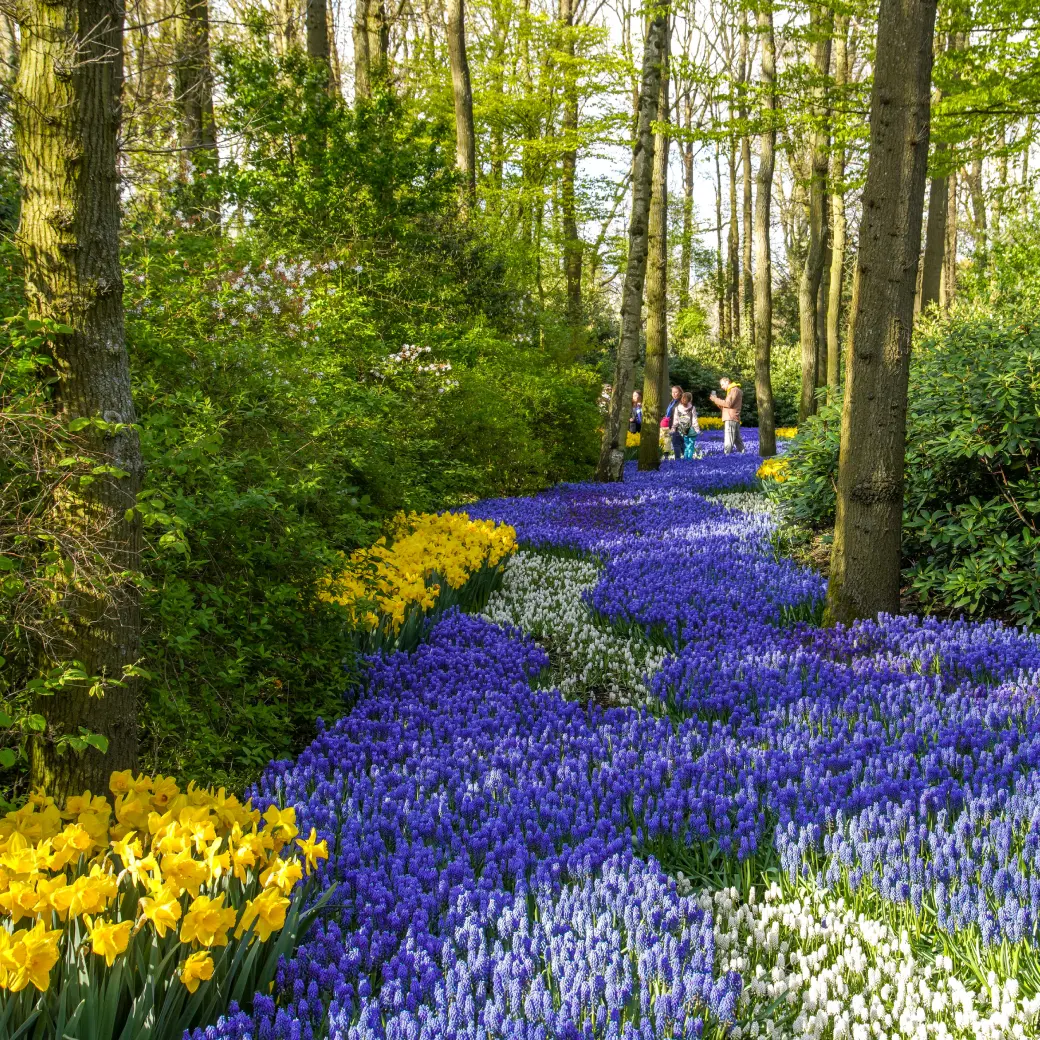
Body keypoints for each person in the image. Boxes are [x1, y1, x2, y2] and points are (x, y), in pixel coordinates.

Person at [709, 377, 745, 454]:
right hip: (732, 417)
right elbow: (726, 407)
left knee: (729, 438)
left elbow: (728, 404)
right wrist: (716, 401)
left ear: (727, 382)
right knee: (737, 439)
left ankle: (726, 455)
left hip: (731, 418)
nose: (721, 387)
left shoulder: (734, 390)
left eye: (722, 384)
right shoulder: (732, 390)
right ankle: (744, 454)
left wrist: (715, 399)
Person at [673, 392, 700, 459]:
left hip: (682, 430)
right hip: (691, 430)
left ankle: (685, 459)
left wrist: (673, 429)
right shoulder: (692, 408)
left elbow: (675, 420)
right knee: (691, 445)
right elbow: (694, 420)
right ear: (690, 400)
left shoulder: (677, 408)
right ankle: (689, 460)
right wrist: (697, 430)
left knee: (686, 444)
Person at [662, 385, 682, 459]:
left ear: (680, 392)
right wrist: (666, 417)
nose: (673, 394)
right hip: (670, 424)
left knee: (676, 443)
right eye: (672, 392)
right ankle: (685, 460)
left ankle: (678, 460)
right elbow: (669, 413)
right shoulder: (672, 402)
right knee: (678, 443)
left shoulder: (681, 402)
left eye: (676, 392)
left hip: (677, 425)